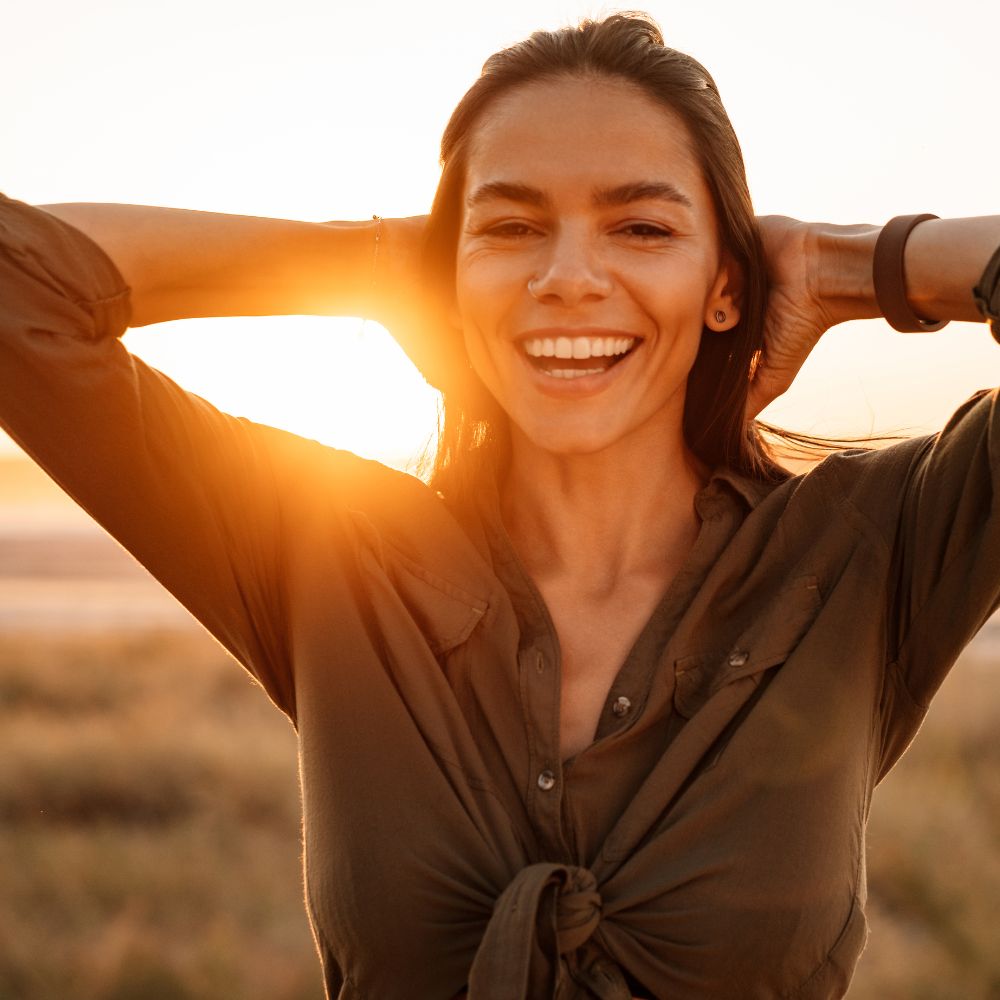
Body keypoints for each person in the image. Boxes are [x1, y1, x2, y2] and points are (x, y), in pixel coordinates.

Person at [2, 12, 999, 1000]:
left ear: (724, 286)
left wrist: (851, 264)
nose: (567, 279)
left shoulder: (876, 549)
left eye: (642, 227)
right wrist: (377, 258)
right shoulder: (322, 546)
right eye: (511, 228)